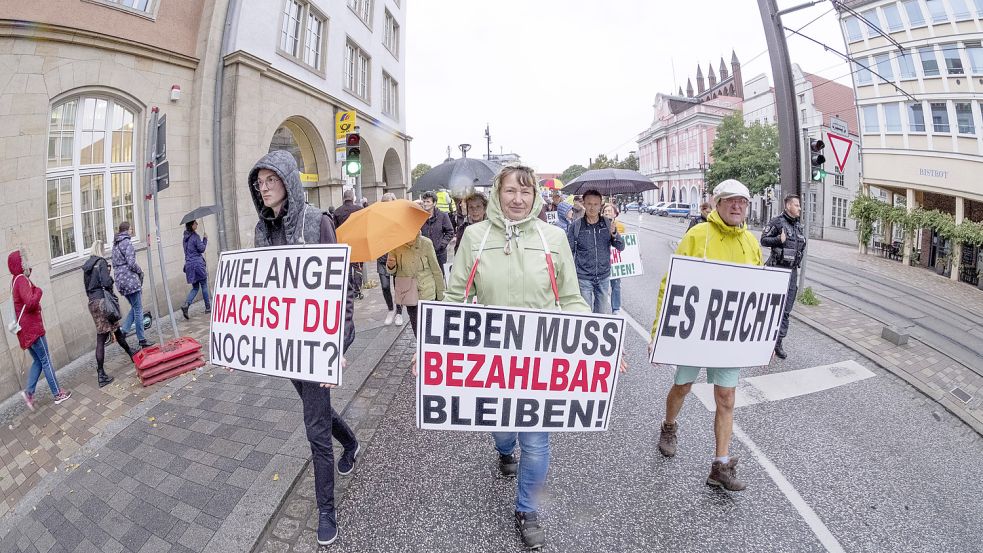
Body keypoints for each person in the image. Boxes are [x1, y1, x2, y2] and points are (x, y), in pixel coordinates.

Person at [444, 164, 591, 550]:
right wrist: (431, 346)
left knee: (538, 441)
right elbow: (454, 297)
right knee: (503, 430)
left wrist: (599, 347)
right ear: (497, 193)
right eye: (511, 190)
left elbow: (572, 299)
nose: (518, 199)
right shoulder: (475, 236)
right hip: (493, 358)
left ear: (536, 197)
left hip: (539, 358)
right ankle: (504, 449)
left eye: (526, 192)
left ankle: (526, 508)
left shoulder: (554, 237)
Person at [249, 150, 359, 547]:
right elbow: (259, 292)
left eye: (271, 180)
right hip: (286, 345)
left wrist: (338, 342)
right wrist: (240, 341)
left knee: (314, 428)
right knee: (317, 410)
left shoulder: (317, 222)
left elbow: (343, 285)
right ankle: (350, 441)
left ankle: (326, 510)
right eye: (259, 183)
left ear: (288, 181)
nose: (263, 188)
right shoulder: (261, 231)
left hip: (318, 344)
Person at [651, 179, 762, 492]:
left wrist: (761, 339)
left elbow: (758, 294)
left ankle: (720, 465)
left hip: (729, 337)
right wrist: (659, 331)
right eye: (731, 201)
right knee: (683, 386)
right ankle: (669, 426)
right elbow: (670, 283)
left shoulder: (751, 242)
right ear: (718, 204)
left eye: (743, 201)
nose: (737, 206)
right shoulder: (697, 234)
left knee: (726, 398)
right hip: (695, 333)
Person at [9, 249, 71, 409]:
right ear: (19, 264)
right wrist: (39, 291)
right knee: (45, 360)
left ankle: (29, 392)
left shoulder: (16, 280)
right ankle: (58, 394)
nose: (26, 262)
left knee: (38, 360)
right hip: (33, 330)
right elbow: (30, 302)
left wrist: (29, 276)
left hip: (26, 331)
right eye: (24, 260)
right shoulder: (21, 280)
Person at [83, 239, 136, 388]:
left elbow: (87, 288)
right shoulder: (101, 263)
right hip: (103, 303)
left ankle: (131, 352)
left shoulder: (87, 266)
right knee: (101, 338)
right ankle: (101, 374)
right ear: (100, 250)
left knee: (116, 329)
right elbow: (107, 283)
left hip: (92, 303)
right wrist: (110, 277)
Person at [760, 194, 807, 360]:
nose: (799, 208)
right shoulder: (777, 222)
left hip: (791, 272)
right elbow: (764, 240)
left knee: (786, 310)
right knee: (772, 308)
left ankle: (778, 342)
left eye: (799, 205)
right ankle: (764, 341)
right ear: (788, 206)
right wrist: (778, 240)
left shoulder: (798, 226)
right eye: (796, 205)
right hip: (777, 270)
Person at [567, 190, 625, 314]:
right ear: (584, 204)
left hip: (603, 277)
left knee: (601, 316)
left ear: (600, 205)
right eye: (589, 204)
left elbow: (621, 246)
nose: (592, 207)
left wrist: (614, 233)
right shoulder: (576, 226)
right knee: (585, 314)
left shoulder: (607, 223)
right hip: (583, 278)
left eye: (595, 204)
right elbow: (568, 253)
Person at [385, 232, 444, 336]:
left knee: (430, 326)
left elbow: (436, 270)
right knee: (416, 325)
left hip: (427, 292)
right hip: (408, 293)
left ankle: (429, 349)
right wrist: (391, 266)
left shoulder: (426, 243)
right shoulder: (395, 246)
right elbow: (391, 271)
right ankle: (420, 348)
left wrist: (441, 295)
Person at [112, 222, 152, 349]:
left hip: (120, 280)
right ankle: (142, 339)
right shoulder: (127, 242)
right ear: (126, 230)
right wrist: (140, 271)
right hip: (129, 279)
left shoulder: (115, 244)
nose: (132, 230)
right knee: (139, 309)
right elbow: (131, 263)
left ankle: (123, 331)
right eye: (131, 228)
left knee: (135, 307)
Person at [377, 193, 404, 327]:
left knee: (398, 287)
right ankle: (390, 309)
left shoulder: (399, 219)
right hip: (382, 258)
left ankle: (399, 312)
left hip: (397, 257)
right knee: (385, 286)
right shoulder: (377, 219)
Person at [333, 190, 365, 300]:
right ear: (353, 198)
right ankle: (357, 290)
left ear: (343, 198)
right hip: (357, 244)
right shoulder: (359, 210)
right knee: (357, 268)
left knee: (346, 268)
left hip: (343, 244)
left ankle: (348, 289)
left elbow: (335, 230)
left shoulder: (337, 212)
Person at [419, 190, 455, 277]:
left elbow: (450, 231)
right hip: (424, 253)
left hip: (439, 254)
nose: (425, 204)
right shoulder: (420, 216)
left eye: (428, 201)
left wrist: (442, 244)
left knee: (439, 277)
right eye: (424, 201)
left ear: (434, 203)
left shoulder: (442, 216)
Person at [180, 221, 210, 319]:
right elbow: (202, 249)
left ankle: (186, 305)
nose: (197, 224)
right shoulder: (195, 237)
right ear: (192, 225)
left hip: (189, 265)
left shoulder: (185, 238)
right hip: (197, 265)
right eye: (195, 223)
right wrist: (205, 239)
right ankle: (208, 308)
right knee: (204, 285)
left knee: (195, 287)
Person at [602, 203, 626, 315]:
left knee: (616, 285)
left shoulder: (620, 226)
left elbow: (625, 242)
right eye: (605, 211)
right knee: (602, 287)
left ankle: (616, 308)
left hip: (616, 261)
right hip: (604, 261)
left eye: (609, 211)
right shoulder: (599, 225)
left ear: (615, 214)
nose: (607, 212)